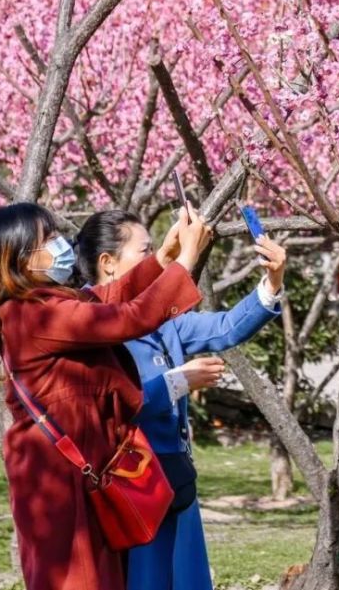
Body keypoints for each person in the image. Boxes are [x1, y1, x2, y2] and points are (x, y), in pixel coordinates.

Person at [0, 202, 210, 590]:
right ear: (20, 256)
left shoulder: (49, 302)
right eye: (49, 238)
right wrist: (188, 259)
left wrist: (162, 259)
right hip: (57, 478)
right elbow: (126, 319)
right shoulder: (32, 314)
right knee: (79, 579)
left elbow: (109, 300)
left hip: (80, 466)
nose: (61, 244)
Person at [75, 209, 287, 590]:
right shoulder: (85, 323)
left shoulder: (158, 320)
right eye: (146, 251)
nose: (158, 258)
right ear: (108, 263)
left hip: (176, 478)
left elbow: (226, 328)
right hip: (131, 487)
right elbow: (109, 405)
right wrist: (177, 382)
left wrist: (271, 283)